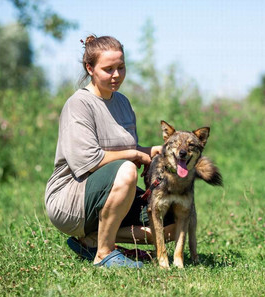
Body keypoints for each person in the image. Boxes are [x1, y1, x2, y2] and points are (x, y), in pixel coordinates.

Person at [45, 35, 175, 268]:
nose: (116, 75)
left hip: (115, 193)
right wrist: (134, 155)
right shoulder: (79, 104)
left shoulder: (123, 103)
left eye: (121, 67)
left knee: (172, 221)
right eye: (108, 69)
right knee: (126, 170)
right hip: (72, 199)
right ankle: (103, 254)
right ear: (90, 68)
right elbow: (88, 161)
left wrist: (149, 150)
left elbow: (125, 148)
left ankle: (95, 240)